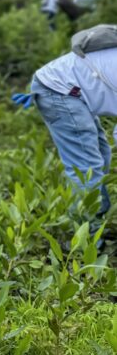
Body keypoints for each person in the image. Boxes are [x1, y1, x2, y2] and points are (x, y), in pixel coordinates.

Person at [12, 42, 117, 236]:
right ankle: (86, 235)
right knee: (86, 164)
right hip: (59, 90)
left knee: (102, 153)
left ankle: (95, 221)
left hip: (70, 87)